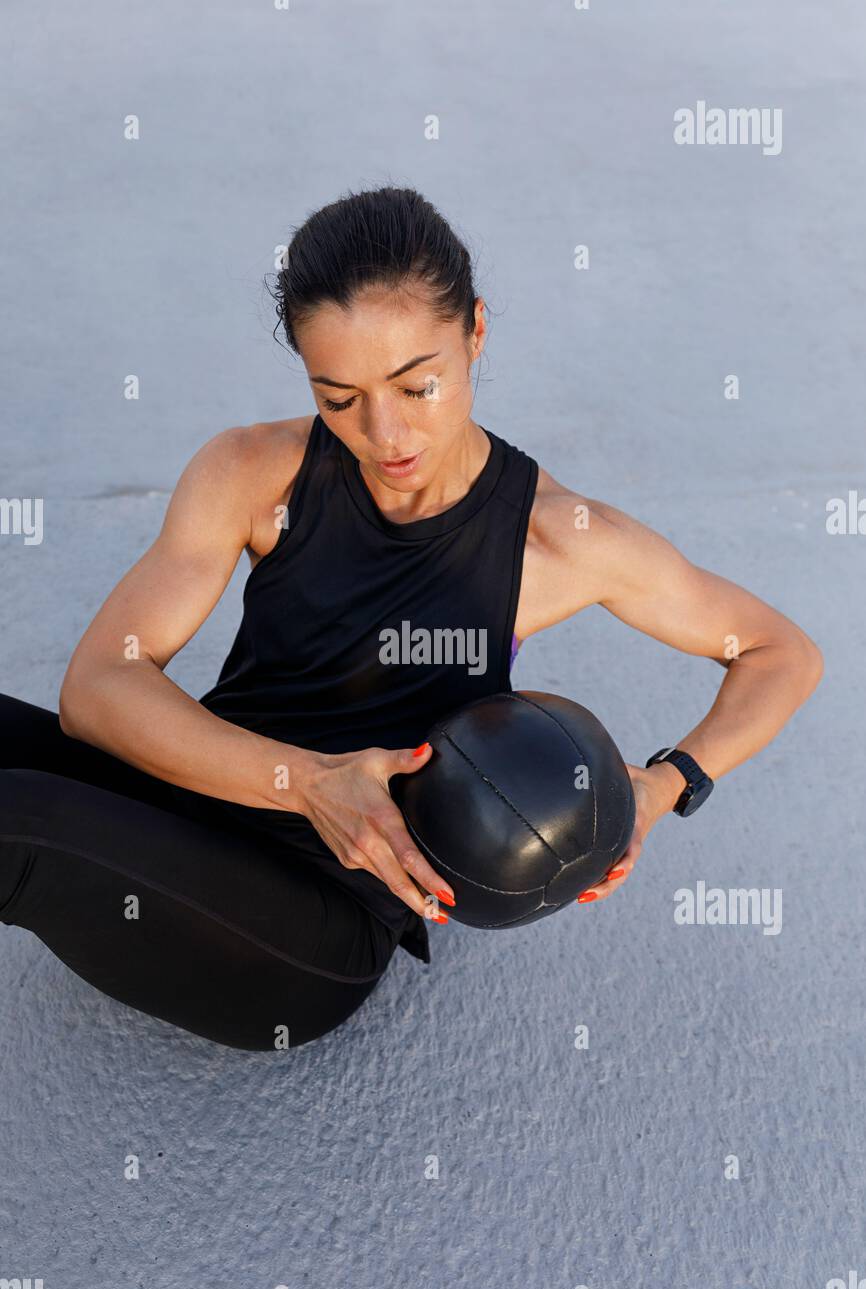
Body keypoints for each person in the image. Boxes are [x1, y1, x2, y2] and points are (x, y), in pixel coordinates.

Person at [0, 185, 823, 1050]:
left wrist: (664, 784)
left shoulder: (559, 541)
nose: (384, 433)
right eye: (339, 397)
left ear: (475, 332)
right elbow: (100, 687)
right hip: (198, 797)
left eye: (416, 385)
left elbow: (781, 651)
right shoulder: (254, 473)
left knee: (14, 820)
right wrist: (307, 781)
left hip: (317, 917)